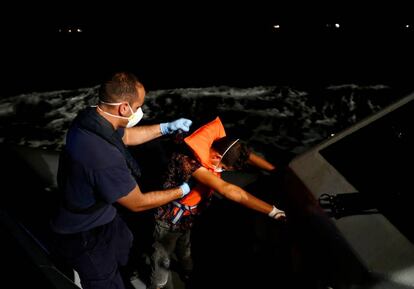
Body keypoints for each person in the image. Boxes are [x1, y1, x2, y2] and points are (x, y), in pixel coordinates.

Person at [50, 72, 194, 289]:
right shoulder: (102, 156)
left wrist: (165, 127)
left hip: (105, 215)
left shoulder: (92, 116)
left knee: (126, 245)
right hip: (84, 233)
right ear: (124, 108)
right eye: (137, 107)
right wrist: (182, 191)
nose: (139, 112)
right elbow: (137, 202)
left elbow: (125, 136)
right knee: (106, 281)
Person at [149, 116, 286, 289]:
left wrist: (276, 171)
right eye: (225, 168)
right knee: (162, 264)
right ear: (217, 157)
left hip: (187, 218)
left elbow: (244, 153)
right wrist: (274, 211)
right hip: (167, 221)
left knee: (185, 251)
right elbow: (229, 190)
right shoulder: (189, 162)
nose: (223, 171)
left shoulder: (220, 143)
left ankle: (187, 270)